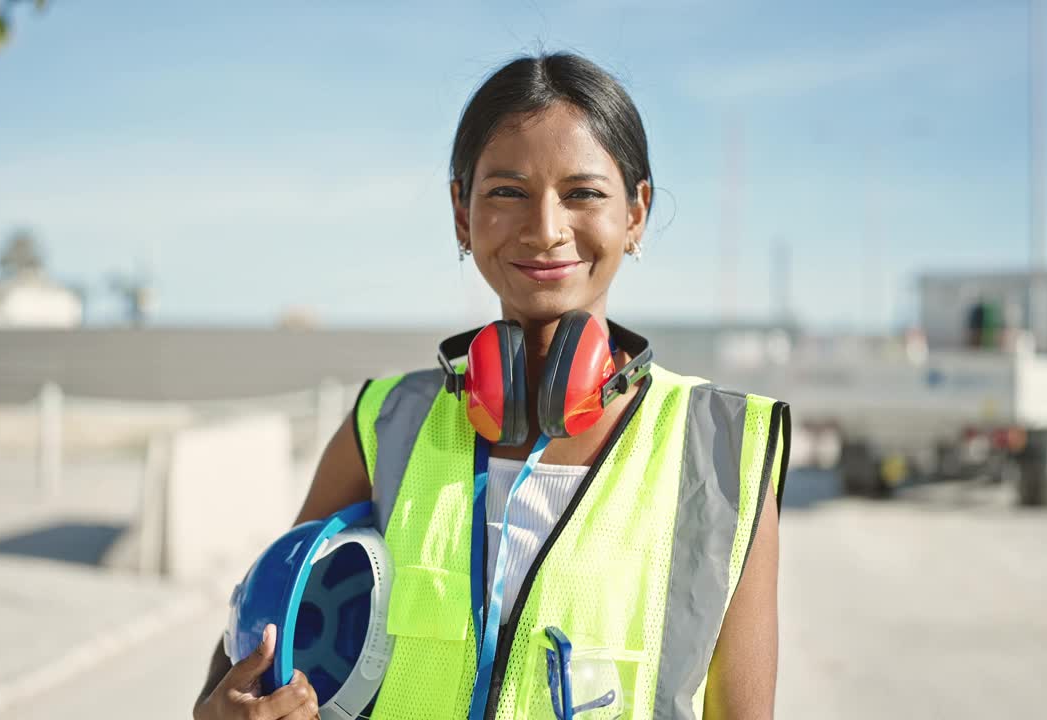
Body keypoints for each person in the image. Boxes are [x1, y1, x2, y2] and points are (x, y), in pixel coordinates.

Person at [194, 52, 788, 720]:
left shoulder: (722, 454)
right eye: (507, 191)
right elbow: (260, 626)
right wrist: (228, 706)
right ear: (460, 210)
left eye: (584, 193)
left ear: (636, 212)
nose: (545, 229)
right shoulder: (383, 425)